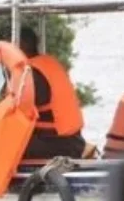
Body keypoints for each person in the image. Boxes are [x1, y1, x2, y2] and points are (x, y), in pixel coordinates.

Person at [11, 27, 87, 160]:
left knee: (6, 143)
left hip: (56, 145)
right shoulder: (49, 64)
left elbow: (19, 111)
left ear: (23, 44)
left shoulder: (31, 74)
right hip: (74, 141)